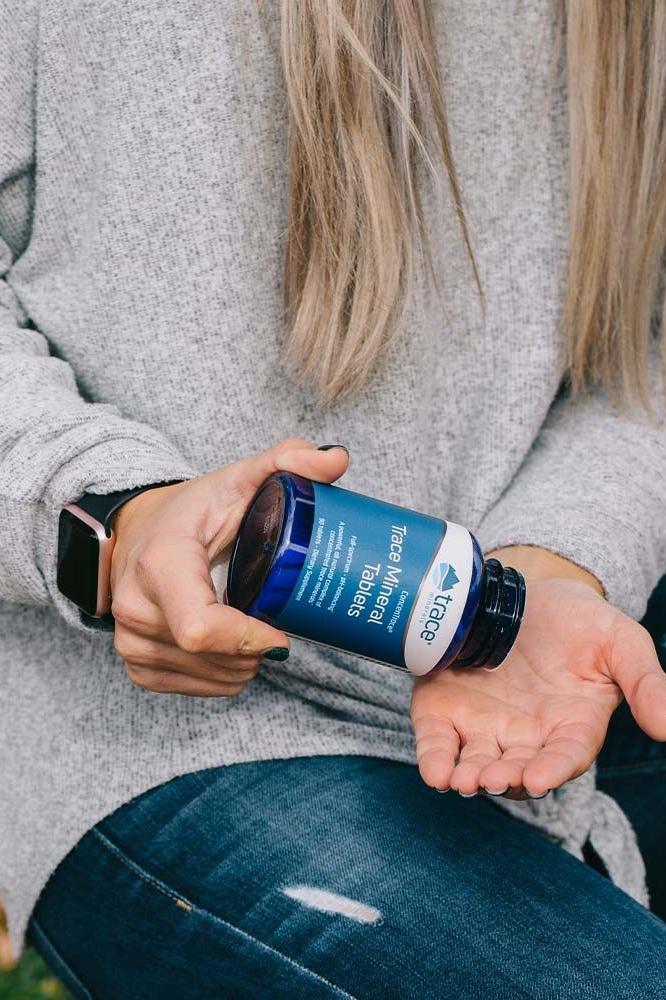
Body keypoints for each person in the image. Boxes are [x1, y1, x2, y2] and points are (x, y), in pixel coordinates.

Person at [1, 1, 665, 997]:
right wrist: (109, 511)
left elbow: (644, 342)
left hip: (555, 654)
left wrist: (556, 556)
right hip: (176, 731)